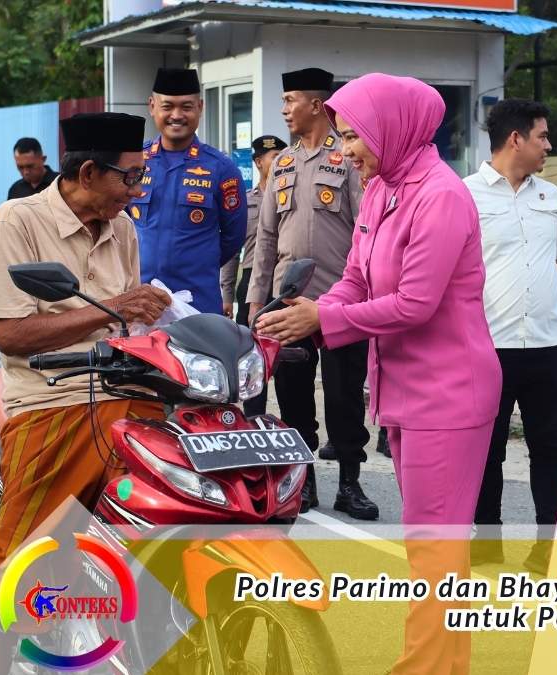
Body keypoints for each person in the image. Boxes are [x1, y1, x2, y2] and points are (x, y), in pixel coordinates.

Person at [256, 73, 500, 674]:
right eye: (340, 137)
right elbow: (356, 279)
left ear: (390, 129)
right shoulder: (383, 188)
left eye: (351, 136)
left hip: (448, 392)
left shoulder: (439, 196)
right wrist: (312, 311)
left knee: (435, 552)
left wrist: (325, 319)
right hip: (406, 390)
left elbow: (415, 303)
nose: (344, 151)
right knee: (432, 550)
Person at [0, 113, 171, 582]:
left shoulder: (122, 228)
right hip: (53, 399)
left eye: (141, 176)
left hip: (126, 393)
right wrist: (114, 307)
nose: (137, 191)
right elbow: (11, 335)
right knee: (20, 564)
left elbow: (126, 322)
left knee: (175, 517)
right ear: (88, 173)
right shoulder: (19, 219)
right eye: (131, 177)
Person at [464, 99, 557, 573]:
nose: (549, 145)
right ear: (515, 139)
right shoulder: (465, 195)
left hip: (547, 346)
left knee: (549, 450)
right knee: (486, 451)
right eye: (542, 136)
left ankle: (548, 546)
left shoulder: (551, 197)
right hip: (488, 348)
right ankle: (486, 542)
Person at [246, 68, 377, 519]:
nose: (284, 109)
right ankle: (302, 483)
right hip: (286, 304)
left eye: (291, 100)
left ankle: (350, 484)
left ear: (317, 105)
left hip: (339, 304)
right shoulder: (281, 164)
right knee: (294, 399)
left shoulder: (348, 158)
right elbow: (266, 238)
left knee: (344, 399)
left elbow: (365, 230)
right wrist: (256, 302)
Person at [131, 67, 247, 314]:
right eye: (167, 106)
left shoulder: (221, 168)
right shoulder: (134, 162)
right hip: (139, 300)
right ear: (152, 106)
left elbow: (233, 237)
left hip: (198, 301)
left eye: (186, 107)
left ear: (200, 107)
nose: (176, 115)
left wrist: (197, 262)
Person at [220, 134, 287, 417]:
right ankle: (253, 418)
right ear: (259, 162)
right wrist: (226, 295)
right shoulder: (245, 202)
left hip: (283, 282)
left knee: (285, 356)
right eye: (274, 157)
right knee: (252, 356)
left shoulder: (289, 197)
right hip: (250, 283)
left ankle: (290, 420)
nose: (281, 161)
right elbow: (231, 252)